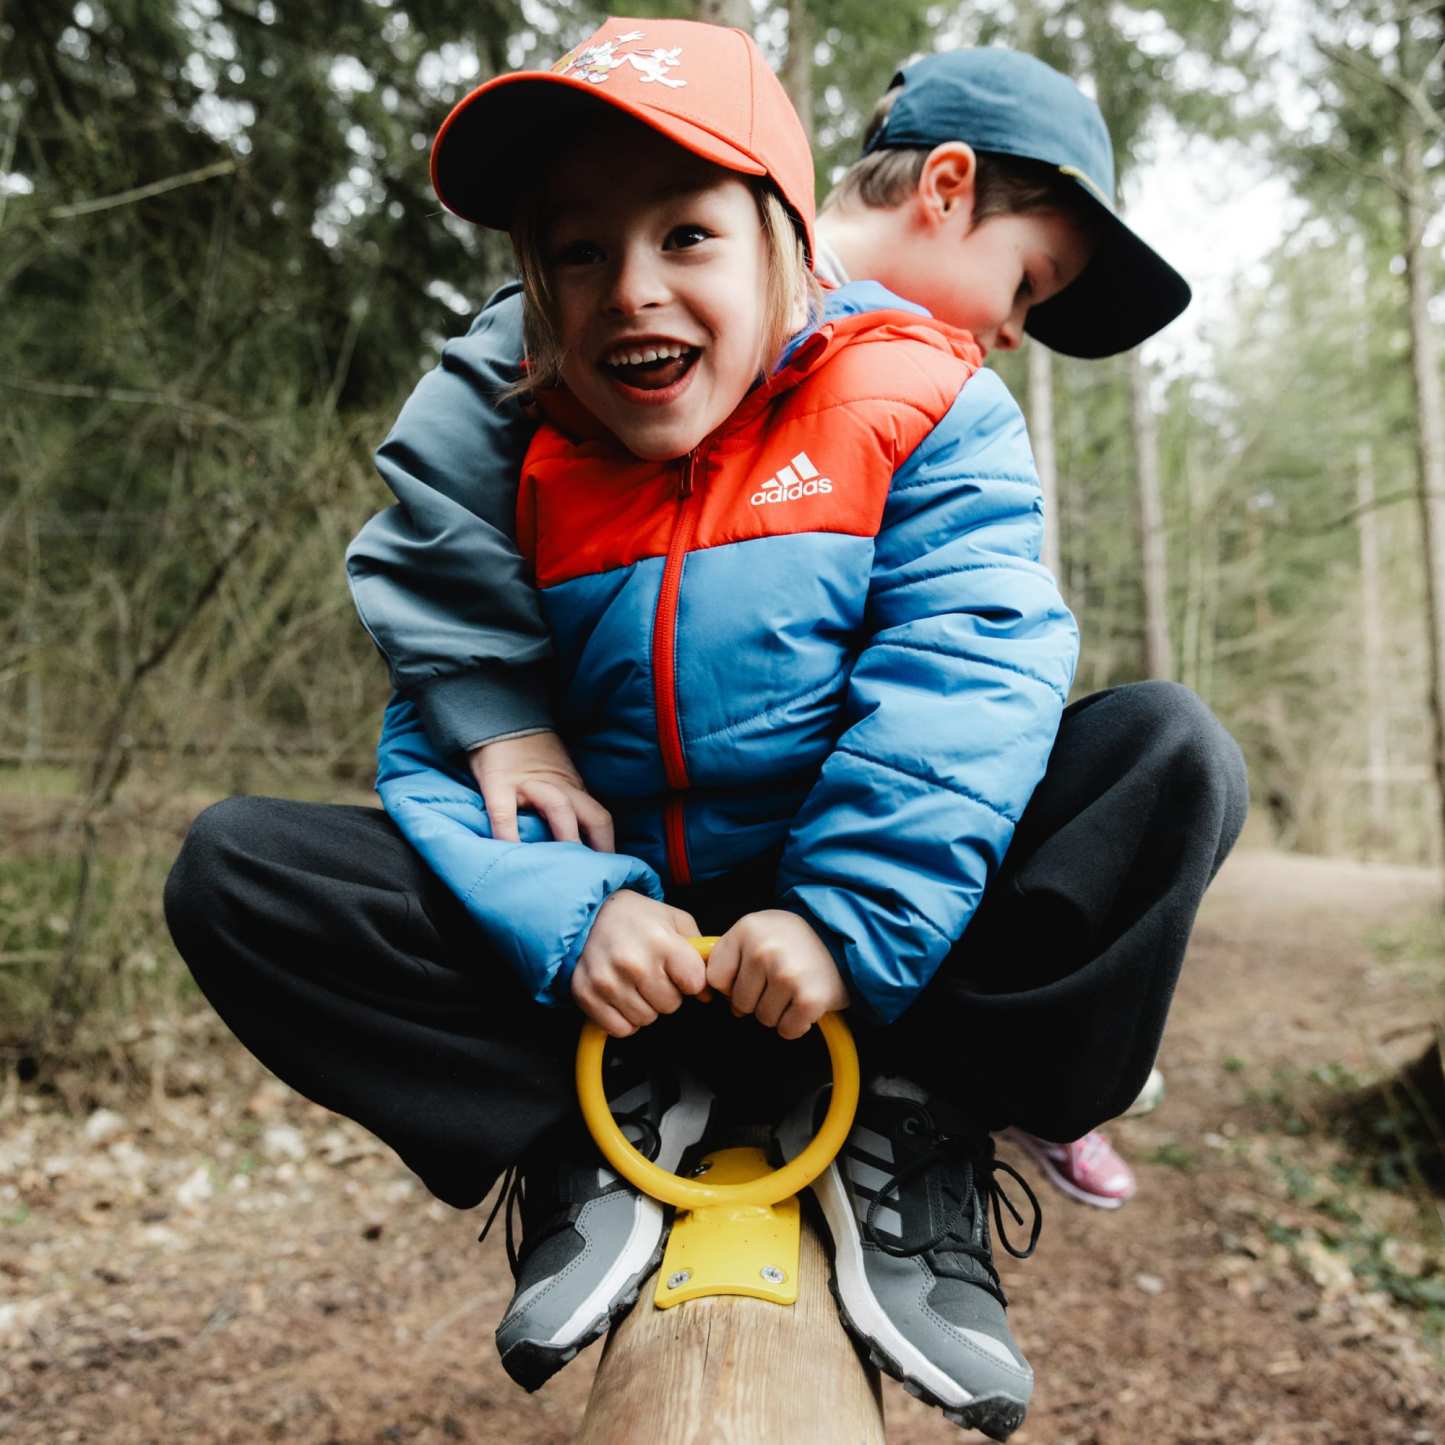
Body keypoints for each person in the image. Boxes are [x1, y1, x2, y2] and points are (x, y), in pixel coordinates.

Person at [163, 20, 1247, 1445]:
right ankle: (581, 1133)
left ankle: (913, 1123)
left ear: (779, 250)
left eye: (685, 236)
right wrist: (572, 913)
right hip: (619, 966)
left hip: (864, 956)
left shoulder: (926, 401)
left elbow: (966, 674)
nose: (631, 288)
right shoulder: (519, 423)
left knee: (1166, 755)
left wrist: (844, 924)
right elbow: (445, 702)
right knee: (240, 870)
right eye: (577, 253)